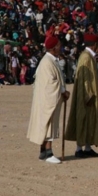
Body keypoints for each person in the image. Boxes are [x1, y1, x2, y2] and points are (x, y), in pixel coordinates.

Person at [27, 35, 70, 164]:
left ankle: (43, 152)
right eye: (58, 45)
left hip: (49, 99)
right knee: (48, 123)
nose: (60, 47)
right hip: (47, 99)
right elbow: (50, 82)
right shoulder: (47, 62)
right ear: (53, 48)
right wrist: (63, 91)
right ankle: (48, 152)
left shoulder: (52, 60)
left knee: (47, 124)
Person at [65, 33, 98, 158]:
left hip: (88, 94)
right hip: (86, 95)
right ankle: (79, 148)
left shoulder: (87, 56)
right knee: (83, 118)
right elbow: (85, 78)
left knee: (89, 120)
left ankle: (87, 147)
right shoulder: (86, 57)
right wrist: (88, 95)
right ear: (94, 45)